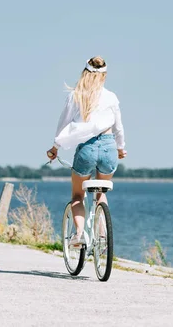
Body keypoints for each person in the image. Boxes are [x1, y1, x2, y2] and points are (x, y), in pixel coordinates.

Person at [46, 56, 126, 248]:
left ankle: (79, 234)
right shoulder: (111, 97)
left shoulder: (75, 95)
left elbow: (63, 125)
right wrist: (121, 148)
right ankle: (103, 235)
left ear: (84, 73)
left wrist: (55, 148)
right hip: (109, 147)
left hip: (87, 149)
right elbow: (119, 128)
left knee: (77, 196)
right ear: (104, 76)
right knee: (101, 193)